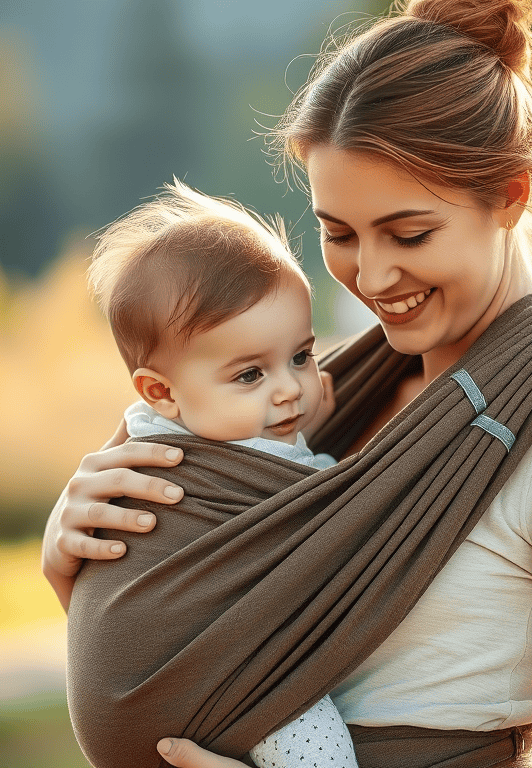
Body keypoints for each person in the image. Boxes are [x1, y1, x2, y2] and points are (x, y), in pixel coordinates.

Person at [44, 0, 532, 766]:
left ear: (512, 195)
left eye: (410, 233)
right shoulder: (330, 388)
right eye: (339, 233)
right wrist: (84, 563)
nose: (372, 276)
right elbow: (223, 643)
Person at [75, 180, 360, 768]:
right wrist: (331, 462)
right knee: (315, 735)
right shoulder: (220, 468)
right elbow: (336, 513)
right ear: (161, 391)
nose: (289, 390)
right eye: (250, 375)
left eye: (301, 357)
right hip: (217, 686)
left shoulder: (150, 430)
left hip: (134, 710)